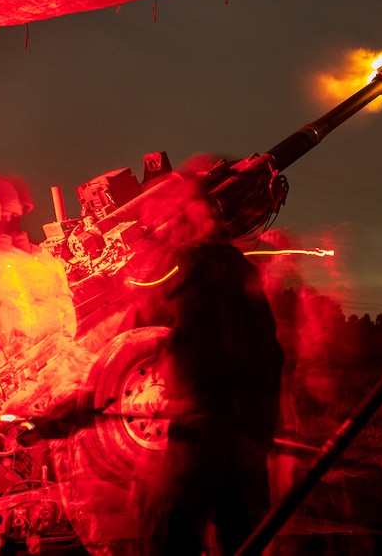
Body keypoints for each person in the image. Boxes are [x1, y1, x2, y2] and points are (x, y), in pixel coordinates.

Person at [135, 230, 285, 556]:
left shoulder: (201, 291)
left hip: (203, 443)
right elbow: (271, 361)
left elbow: (198, 363)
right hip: (244, 442)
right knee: (244, 536)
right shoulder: (246, 292)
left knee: (169, 528)